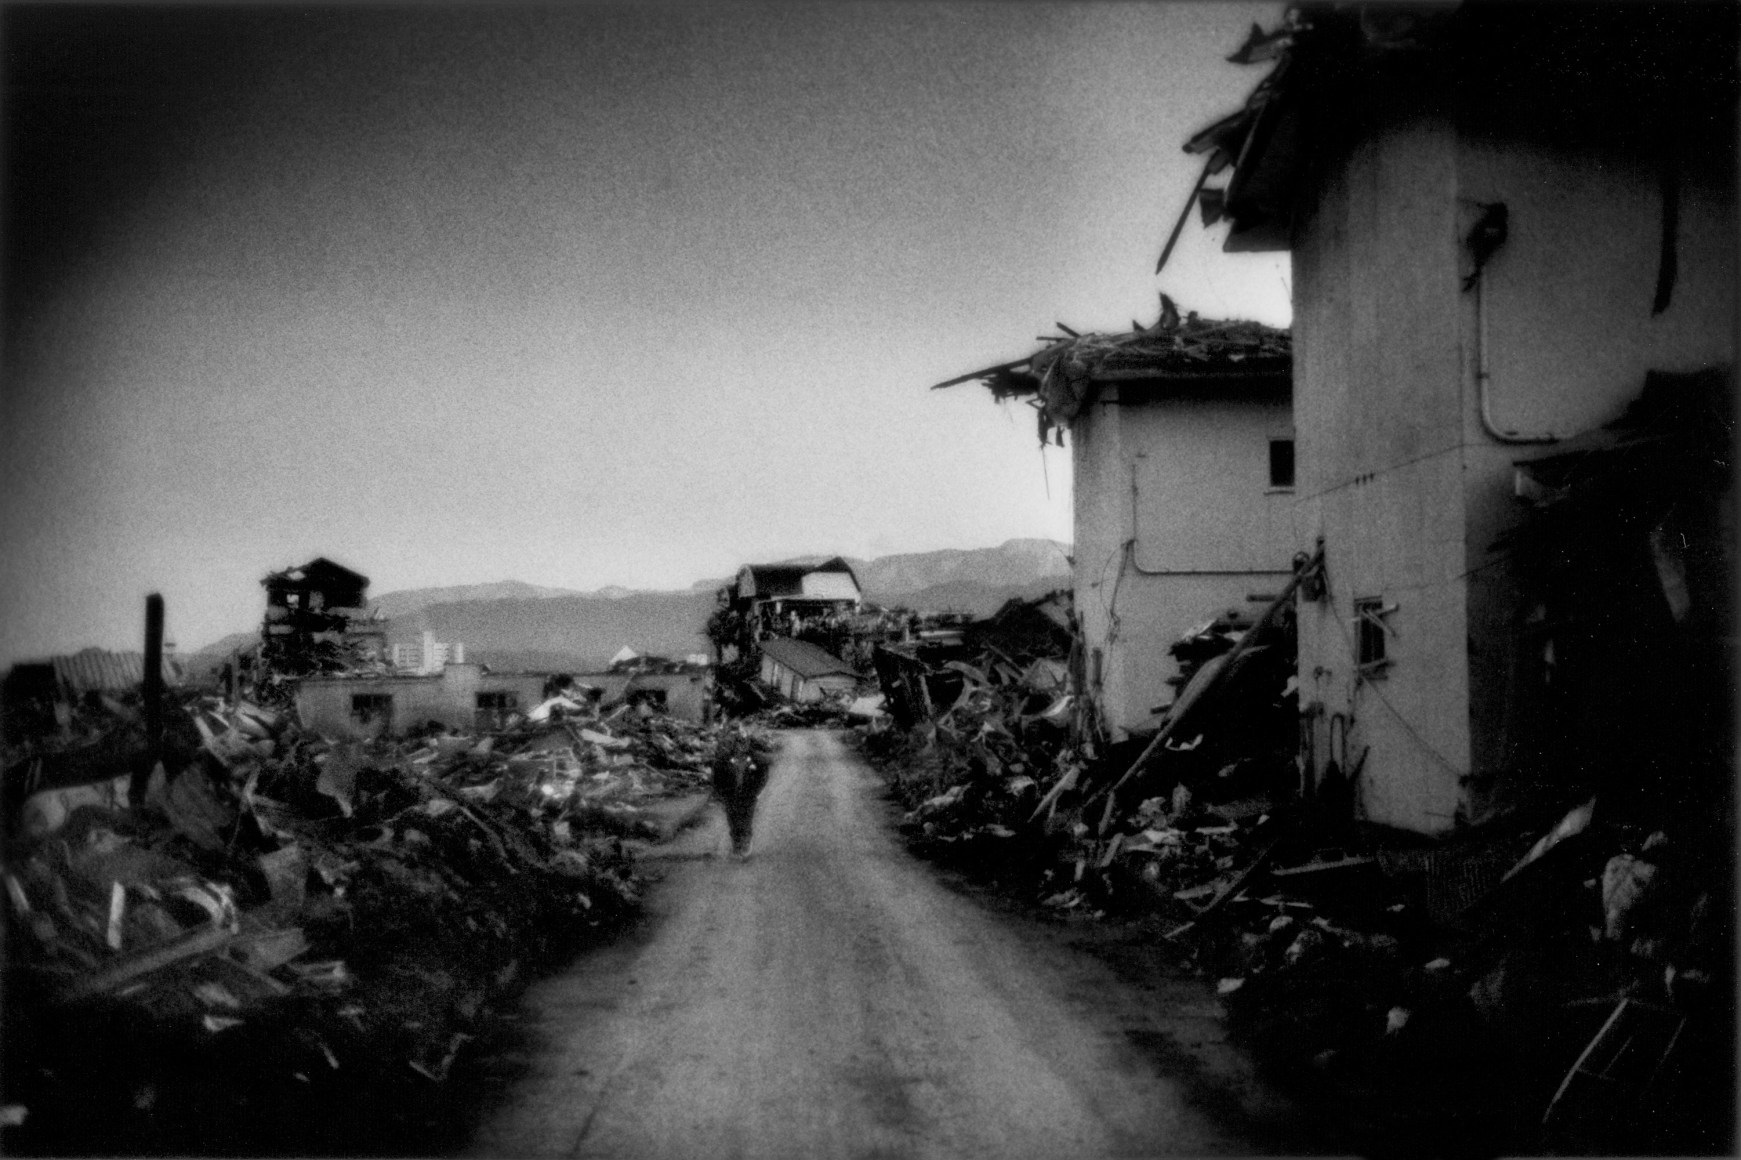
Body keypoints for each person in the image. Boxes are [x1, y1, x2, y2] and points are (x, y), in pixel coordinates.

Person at [710, 727, 771, 858]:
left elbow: (763, 776)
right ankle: (736, 845)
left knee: (746, 819)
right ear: (734, 745)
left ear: (748, 745)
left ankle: (745, 845)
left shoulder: (757, 760)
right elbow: (717, 778)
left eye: (744, 743)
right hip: (730, 795)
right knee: (733, 820)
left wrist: (756, 791)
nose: (741, 747)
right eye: (738, 743)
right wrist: (720, 794)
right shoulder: (724, 761)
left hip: (748, 795)